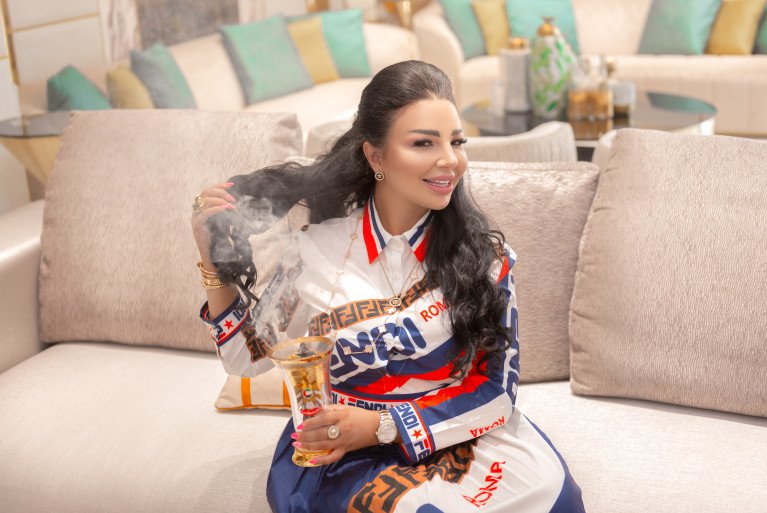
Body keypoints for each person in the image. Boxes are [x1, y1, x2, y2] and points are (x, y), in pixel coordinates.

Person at [191, 60, 585, 513]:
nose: (450, 160)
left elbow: (497, 390)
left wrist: (384, 425)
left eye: (456, 142)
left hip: (458, 433)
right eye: (423, 143)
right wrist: (211, 258)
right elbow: (247, 358)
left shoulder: (485, 261)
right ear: (375, 156)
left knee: (556, 497)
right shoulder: (316, 252)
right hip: (346, 455)